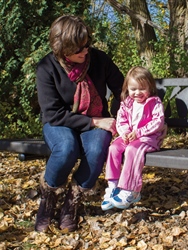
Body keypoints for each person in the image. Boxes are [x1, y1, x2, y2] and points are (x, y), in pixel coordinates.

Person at [35, 15, 124, 232]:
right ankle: (48, 199)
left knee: (96, 150)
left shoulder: (100, 60)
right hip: (60, 122)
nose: (86, 51)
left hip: (96, 120)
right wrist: (95, 120)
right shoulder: (47, 68)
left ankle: (71, 203)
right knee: (66, 149)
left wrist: (119, 117)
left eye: (87, 44)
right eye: (79, 49)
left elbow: (122, 90)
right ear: (63, 51)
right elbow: (54, 114)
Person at [101, 66, 165, 210]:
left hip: (148, 138)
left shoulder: (154, 103)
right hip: (130, 137)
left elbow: (158, 122)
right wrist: (124, 133)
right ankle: (113, 187)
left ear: (150, 87)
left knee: (132, 150)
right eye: (133, 89)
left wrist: (138, 132)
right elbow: (121, 120)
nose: (137, 93)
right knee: (113, 148)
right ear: (127, 89)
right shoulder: (126, 103)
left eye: (142, 88)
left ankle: (131, 191)